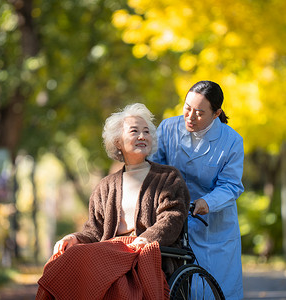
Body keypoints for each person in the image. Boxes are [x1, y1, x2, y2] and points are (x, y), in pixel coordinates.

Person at [36, 103, 190, 299]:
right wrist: (74, 238)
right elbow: (94, 230)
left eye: (146, 132)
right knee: (62, 259)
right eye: (135, 131)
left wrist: (148, 238)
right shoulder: (105, 186)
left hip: (144, 251)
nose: (142, 136)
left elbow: (172, 218)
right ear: (118, 141)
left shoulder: (168, 178)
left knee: (97, 265)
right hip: (110, 251)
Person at [150, 80, 245, 300]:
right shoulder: (167, 129)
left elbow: (231, 185)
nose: (190, 117)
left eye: (200, 113)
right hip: (174, 215)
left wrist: (207, 202)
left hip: (213, 224)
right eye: (187, 108)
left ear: (216, 113)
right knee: (177, 287)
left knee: (216, 289)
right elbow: (153, 167)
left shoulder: (231, 141)